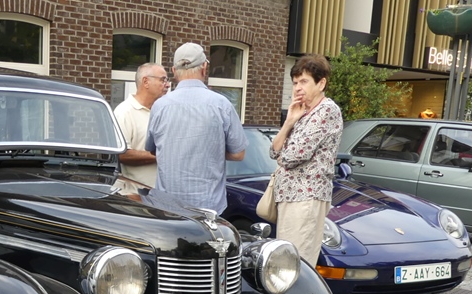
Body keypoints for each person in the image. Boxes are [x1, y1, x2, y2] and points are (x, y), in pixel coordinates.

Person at [145, 42, 247, 214]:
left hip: (167, 206)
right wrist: (211, 149)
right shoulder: (221, 104)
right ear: (204, 68)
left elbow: (153, 150)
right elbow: (238, 154)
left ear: (174, 70)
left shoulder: (160, 106)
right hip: (208, 208)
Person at [270, 54, 342, 266]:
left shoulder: (326, 111)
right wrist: (289, 121)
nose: (298, 88)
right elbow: (273, 151)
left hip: (306, 198)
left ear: (321, 83)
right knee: (285, 261)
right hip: (290, 196)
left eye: (304, 81)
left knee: (295, 263)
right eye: (295, 83)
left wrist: (283, 153)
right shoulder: (302, 112)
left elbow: (291, 156)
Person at [113, 63, 169, 187]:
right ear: (146, 82)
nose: (168, 85)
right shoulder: (124, 112)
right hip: (136, 194)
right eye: (162, 80)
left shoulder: (163, 112)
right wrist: (162, 155)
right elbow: (121, 154)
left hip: (161, 193)